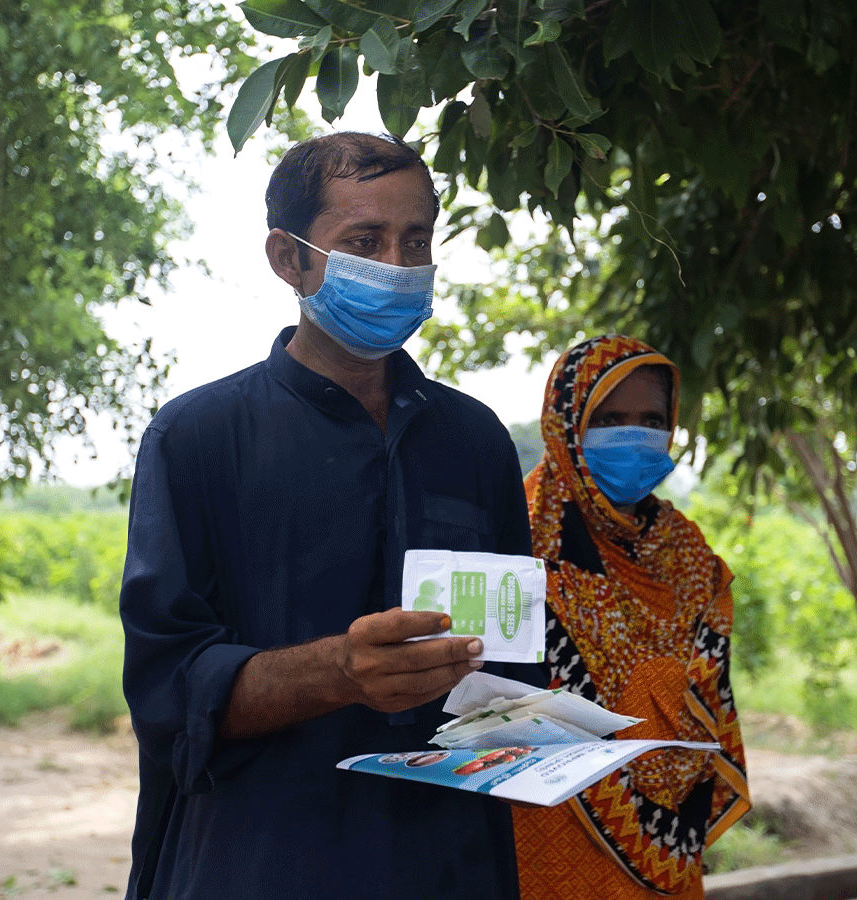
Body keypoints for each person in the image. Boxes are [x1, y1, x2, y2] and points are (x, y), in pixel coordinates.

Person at [119, 131, 541, 900]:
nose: (397, 265)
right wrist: (340, 671)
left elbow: (513, 669)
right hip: (261, 860)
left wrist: (549, 731)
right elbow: (168, 689)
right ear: (290, 260)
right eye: (363, 241)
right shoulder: (196, 438)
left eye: (415, 241)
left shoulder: (475, 441)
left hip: (449, 861)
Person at [512, 334, 751, 899]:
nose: (634, 435)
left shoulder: (688, 554)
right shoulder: (516, 538)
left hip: (673, 833)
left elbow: (708, 700)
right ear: (565, 425)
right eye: (611, 418)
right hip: (545, 831)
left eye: (650, 419)